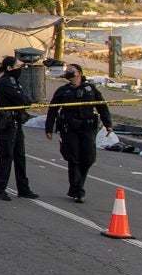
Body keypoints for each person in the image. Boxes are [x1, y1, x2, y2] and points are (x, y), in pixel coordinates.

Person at [45, 63, 112, 203]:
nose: (68, 72)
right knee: (73, 158)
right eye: (67, 70)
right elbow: (52, 110)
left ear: (79, 73)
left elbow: (102, 106)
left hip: (87, 128)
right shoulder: (63, 91)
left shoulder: (90, 89)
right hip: (70, 129)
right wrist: (49, 128)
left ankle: (77, 186)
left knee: (88, 159)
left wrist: (108, 125)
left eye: (71, 70)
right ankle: (77, 190)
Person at [0, 55, 39, 201]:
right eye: (18, 67)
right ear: (9, 68)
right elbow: (22, 99)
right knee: (7, 156)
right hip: (8, 122)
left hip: (17, 121)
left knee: (20, 156)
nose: (21, 70)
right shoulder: (5, 82)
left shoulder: (14, 81)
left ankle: (23, 189)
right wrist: (25, 99)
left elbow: (26, 99)